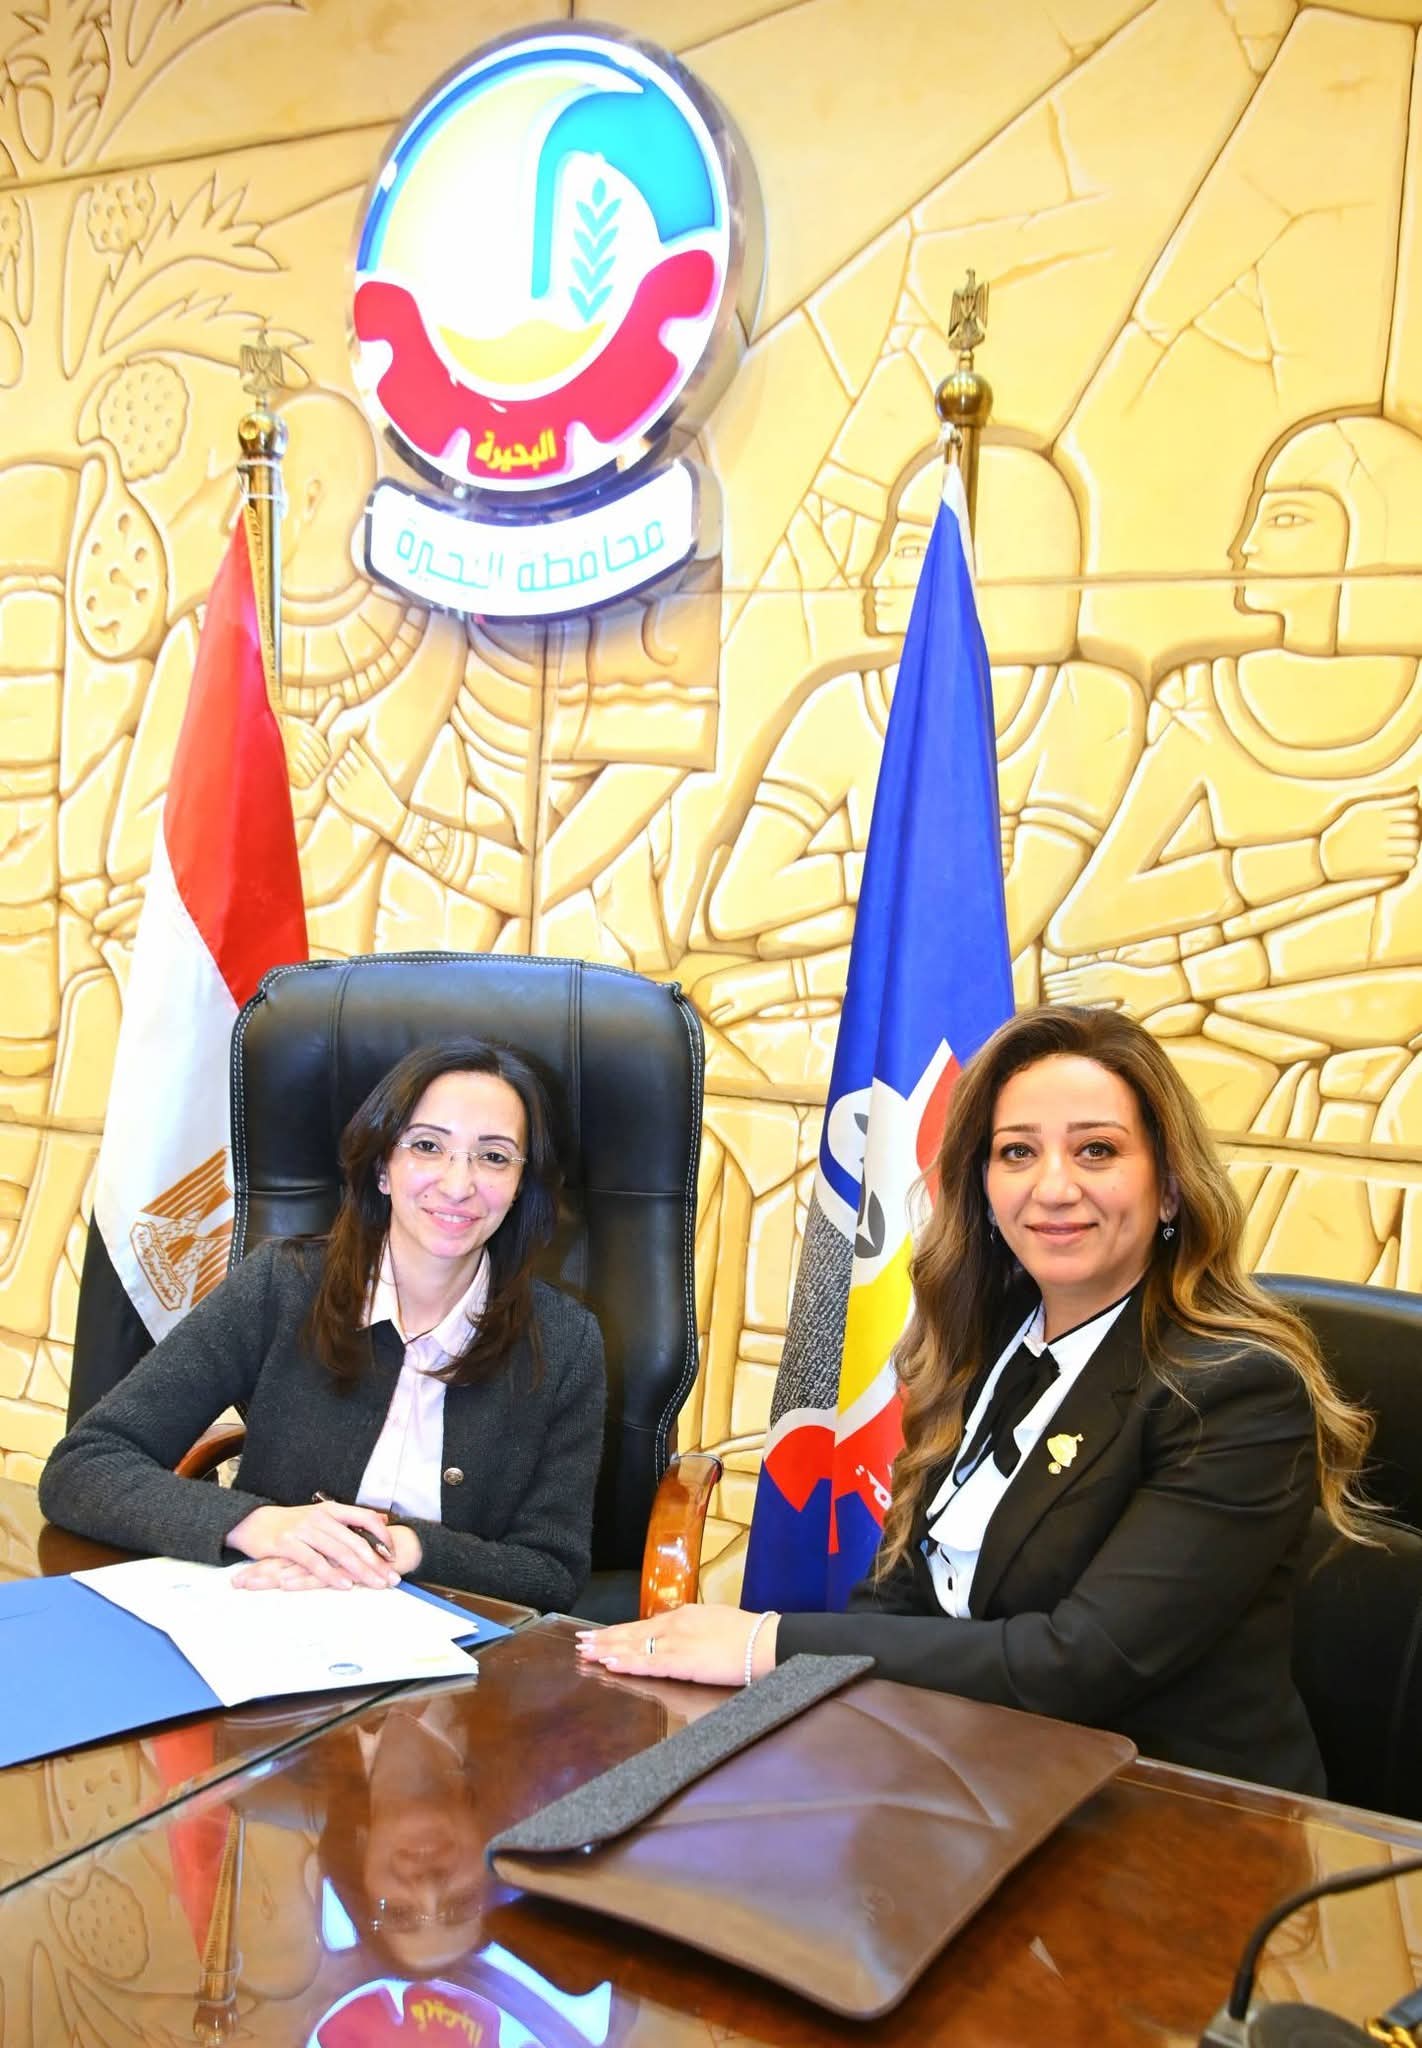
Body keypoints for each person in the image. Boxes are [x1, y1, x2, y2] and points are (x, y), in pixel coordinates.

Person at [580, 1005, 1373, 1792]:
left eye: (1097, 1150)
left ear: (1168, 1189)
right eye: (1017, 1151)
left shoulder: (1235, 1391)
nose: (1053, 1187)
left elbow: (1078, 1663)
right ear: (983, 1186)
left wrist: (767, 1646)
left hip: (1173, 1811)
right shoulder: (988, 1335)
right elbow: (901, 1591)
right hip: (974, 1768)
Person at [40, 1038, 605, 1611]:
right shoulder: (283, 1286)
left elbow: (552, 1571)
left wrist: (406, 1548)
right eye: (427, 1146)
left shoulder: (565, 1341)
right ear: (382, 1167)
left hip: (454, 1645)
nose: (458, 1185)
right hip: (270, 1621)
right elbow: (83, 1466)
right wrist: (257, 1524)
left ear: (520, 1185)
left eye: (494, 1157)